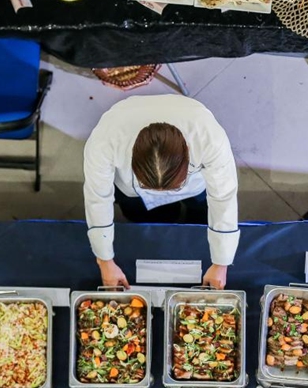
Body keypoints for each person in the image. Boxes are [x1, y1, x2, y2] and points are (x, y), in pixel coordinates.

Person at [83, 94, 239, 289]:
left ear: (188, 149)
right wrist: (104, 261)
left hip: (195, 187)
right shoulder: (104, 142)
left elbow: (223, 197)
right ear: (132, 156)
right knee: (144, 217)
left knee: (198, 217)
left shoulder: (209, 137)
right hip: (134, 194)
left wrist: (221, 263)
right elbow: (98, 197)